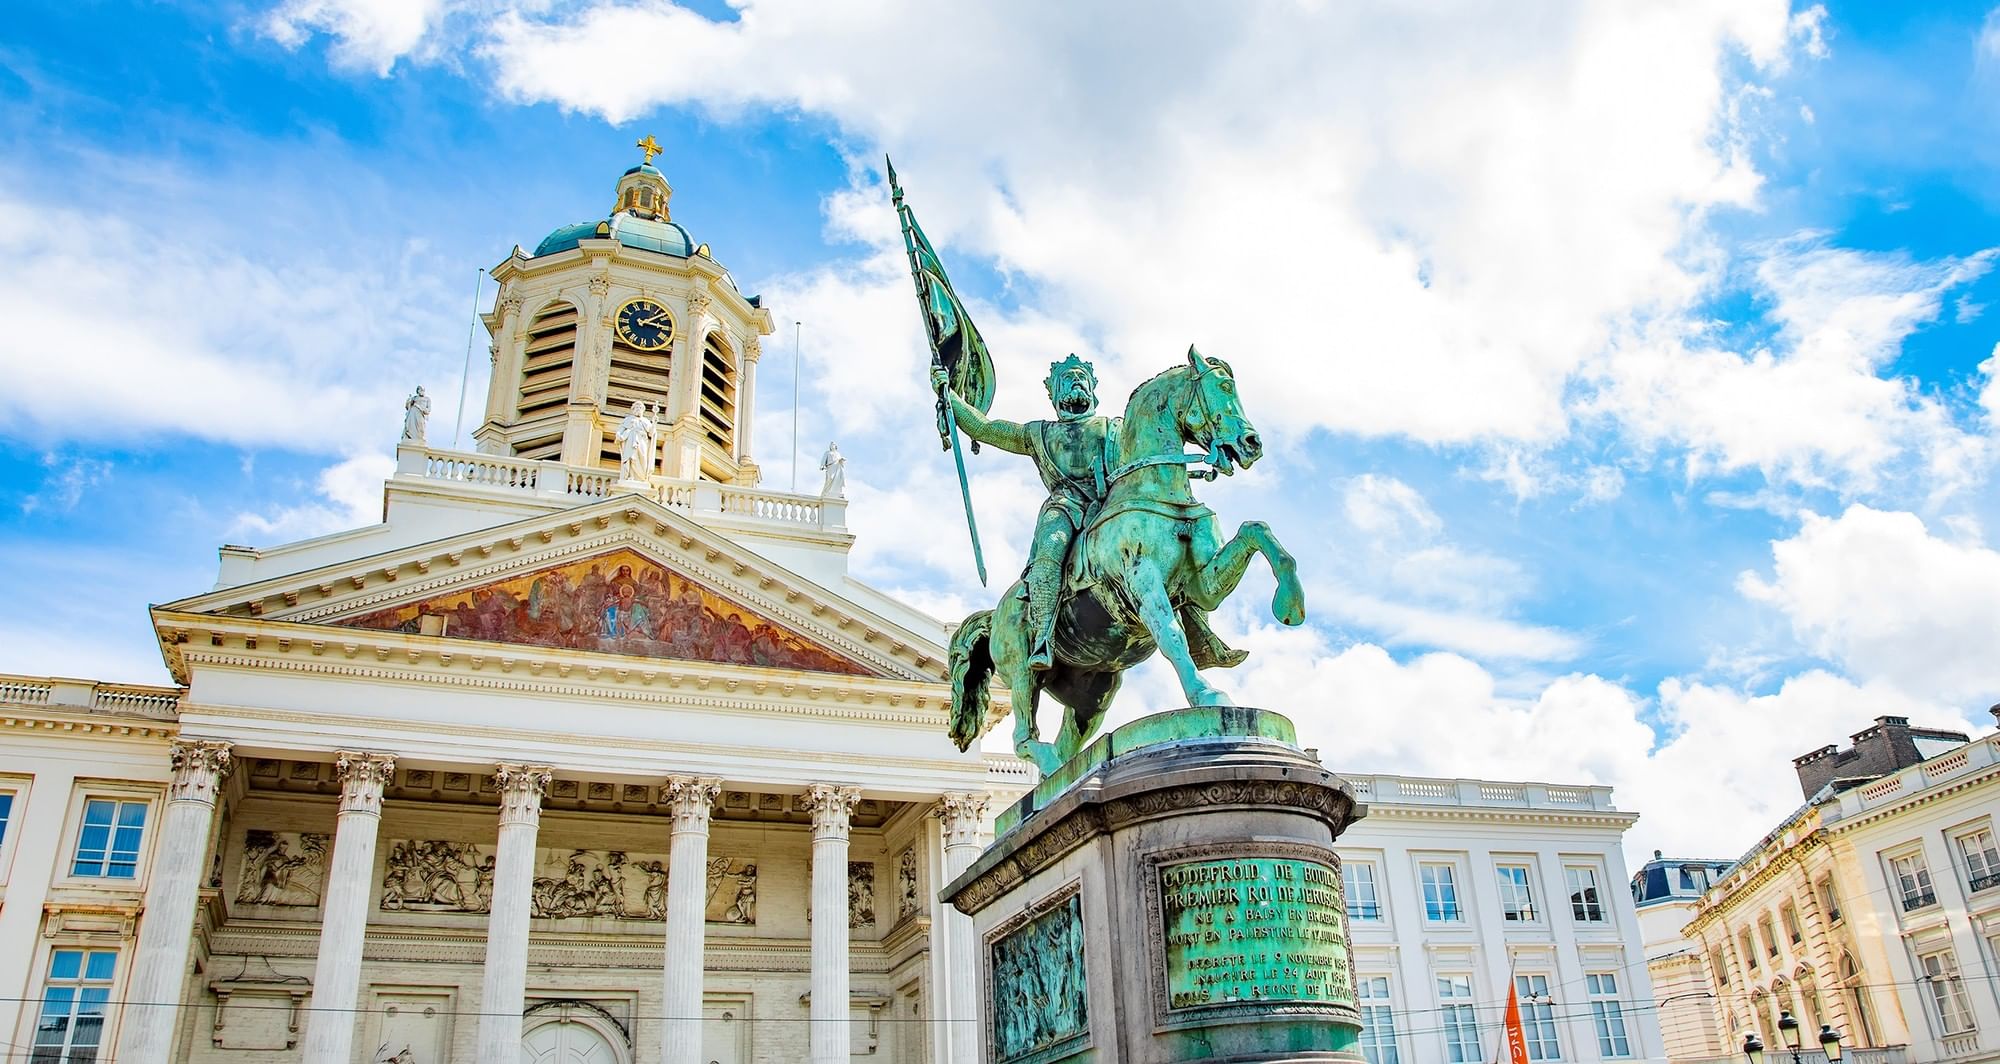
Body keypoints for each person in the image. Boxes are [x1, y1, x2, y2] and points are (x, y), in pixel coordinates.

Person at [933, 356, 1114, 671]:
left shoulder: (1114, 429)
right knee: (1049, 555)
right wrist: (950, 396)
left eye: (1081, 377)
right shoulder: (1039, 434)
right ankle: (1043, 635)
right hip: (1065, 508)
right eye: (1068, 379)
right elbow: (984, 428)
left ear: (1093, 388)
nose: (1076, 383)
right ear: (1055, 394)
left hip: (1111, 503)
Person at [615, 400, 657, 481]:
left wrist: (654, 423)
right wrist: (619, 434)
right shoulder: (628, 419)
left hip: (642, 441)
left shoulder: (645, 421)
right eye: (636, 407)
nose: (638, 409)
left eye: (640, 408)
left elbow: (651, 432)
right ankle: (631, 476)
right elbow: (621, 429)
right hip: (631, 440)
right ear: (633, 409)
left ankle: (642, 477)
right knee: (631, 458)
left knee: (643, 457)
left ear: (643, 410)